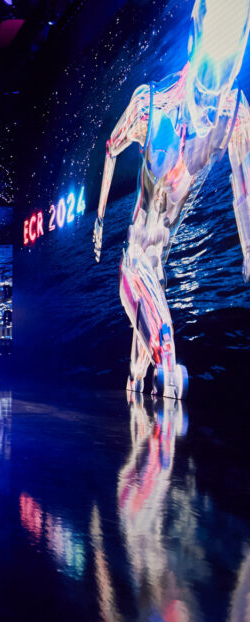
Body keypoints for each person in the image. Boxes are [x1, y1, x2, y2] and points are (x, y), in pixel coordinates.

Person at [93, 0, 250, 398]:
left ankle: (135, 393)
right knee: (164, 345)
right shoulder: (151, 106)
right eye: (205, 92)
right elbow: (111, 147)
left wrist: (248, 250)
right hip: (136, 257)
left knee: (139, 371)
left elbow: (243, 189)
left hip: (156, 264)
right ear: (196, 39)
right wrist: (99, 220)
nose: (209, 106)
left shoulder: (233, 112)